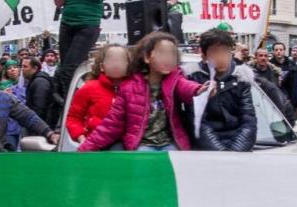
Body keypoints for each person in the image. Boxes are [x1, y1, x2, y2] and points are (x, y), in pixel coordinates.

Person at [78, 32, 208, 152]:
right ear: (146, 57)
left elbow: (187, 88)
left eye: (172, 54)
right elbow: (111, 124)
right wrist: (86, 148)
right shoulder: (128, 88)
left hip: (171, 144)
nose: (168, 58)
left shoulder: (177, 79)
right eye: (162, 53)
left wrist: (199, 90)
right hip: (142, 146)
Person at [186, 28, 256, 151]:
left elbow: (249, 119)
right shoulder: (193, 77)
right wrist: (220, 154)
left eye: (225, 51)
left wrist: (236, 152)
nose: (221, 57)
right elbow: (197, 121)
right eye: (215, 52)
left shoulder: (242, 78)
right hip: (206, 150)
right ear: (204, 55)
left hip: (239, 149)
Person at [66, 44, 130, 143]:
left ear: (128, 65)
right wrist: (81, 137)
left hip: (127, 148)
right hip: (95, 145)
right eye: (111, 60)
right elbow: (73, 117)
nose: (116, 64)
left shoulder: (136, 90)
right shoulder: (89, 88)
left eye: (121, 60)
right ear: (102, 67)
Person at [54, 0, 103, 99]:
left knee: (69, 70)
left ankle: (73, 107)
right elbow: (58, 3)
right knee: (64, 69)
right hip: (66, 22)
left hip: (88, 23)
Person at [22, 57, 56, 125]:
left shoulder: (40, 82)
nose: (22, 69)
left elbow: (40, 108)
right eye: (22, 66)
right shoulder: (35, 80)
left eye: (25, 67)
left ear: (35, 68)